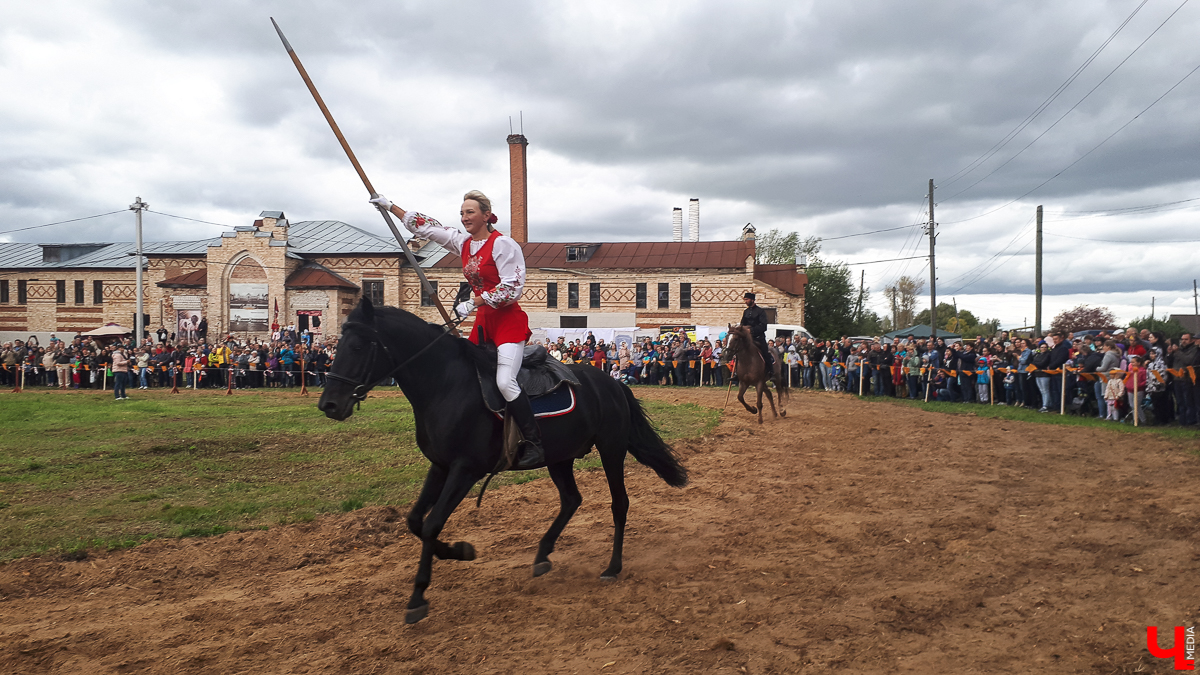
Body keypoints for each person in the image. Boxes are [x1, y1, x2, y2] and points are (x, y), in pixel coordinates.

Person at [371, 189, 543, 469]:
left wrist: (474, 301)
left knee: (504, 382)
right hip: (484, 324)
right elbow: (429, 228)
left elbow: (513, 288)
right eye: (462, 213)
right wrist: (391, 207)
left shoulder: (504, 245)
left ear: (486, 215)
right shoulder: (463, 243)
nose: (464, 218)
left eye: (470, 212)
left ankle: (534, 441)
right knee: (465, 379)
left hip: (507, 322)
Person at [739, 292, 772, 370]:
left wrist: (751, 330)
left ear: (752, 300)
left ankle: (770, 372)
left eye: (747, 299)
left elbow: (763, 326)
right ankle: (738, 373)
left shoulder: (760, 312)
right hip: (747, 339)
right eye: (745, 299)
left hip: (758, 338)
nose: (745, 301)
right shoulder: (746, 311)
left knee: (765, 353)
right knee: (739, 352)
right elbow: (742, 324)